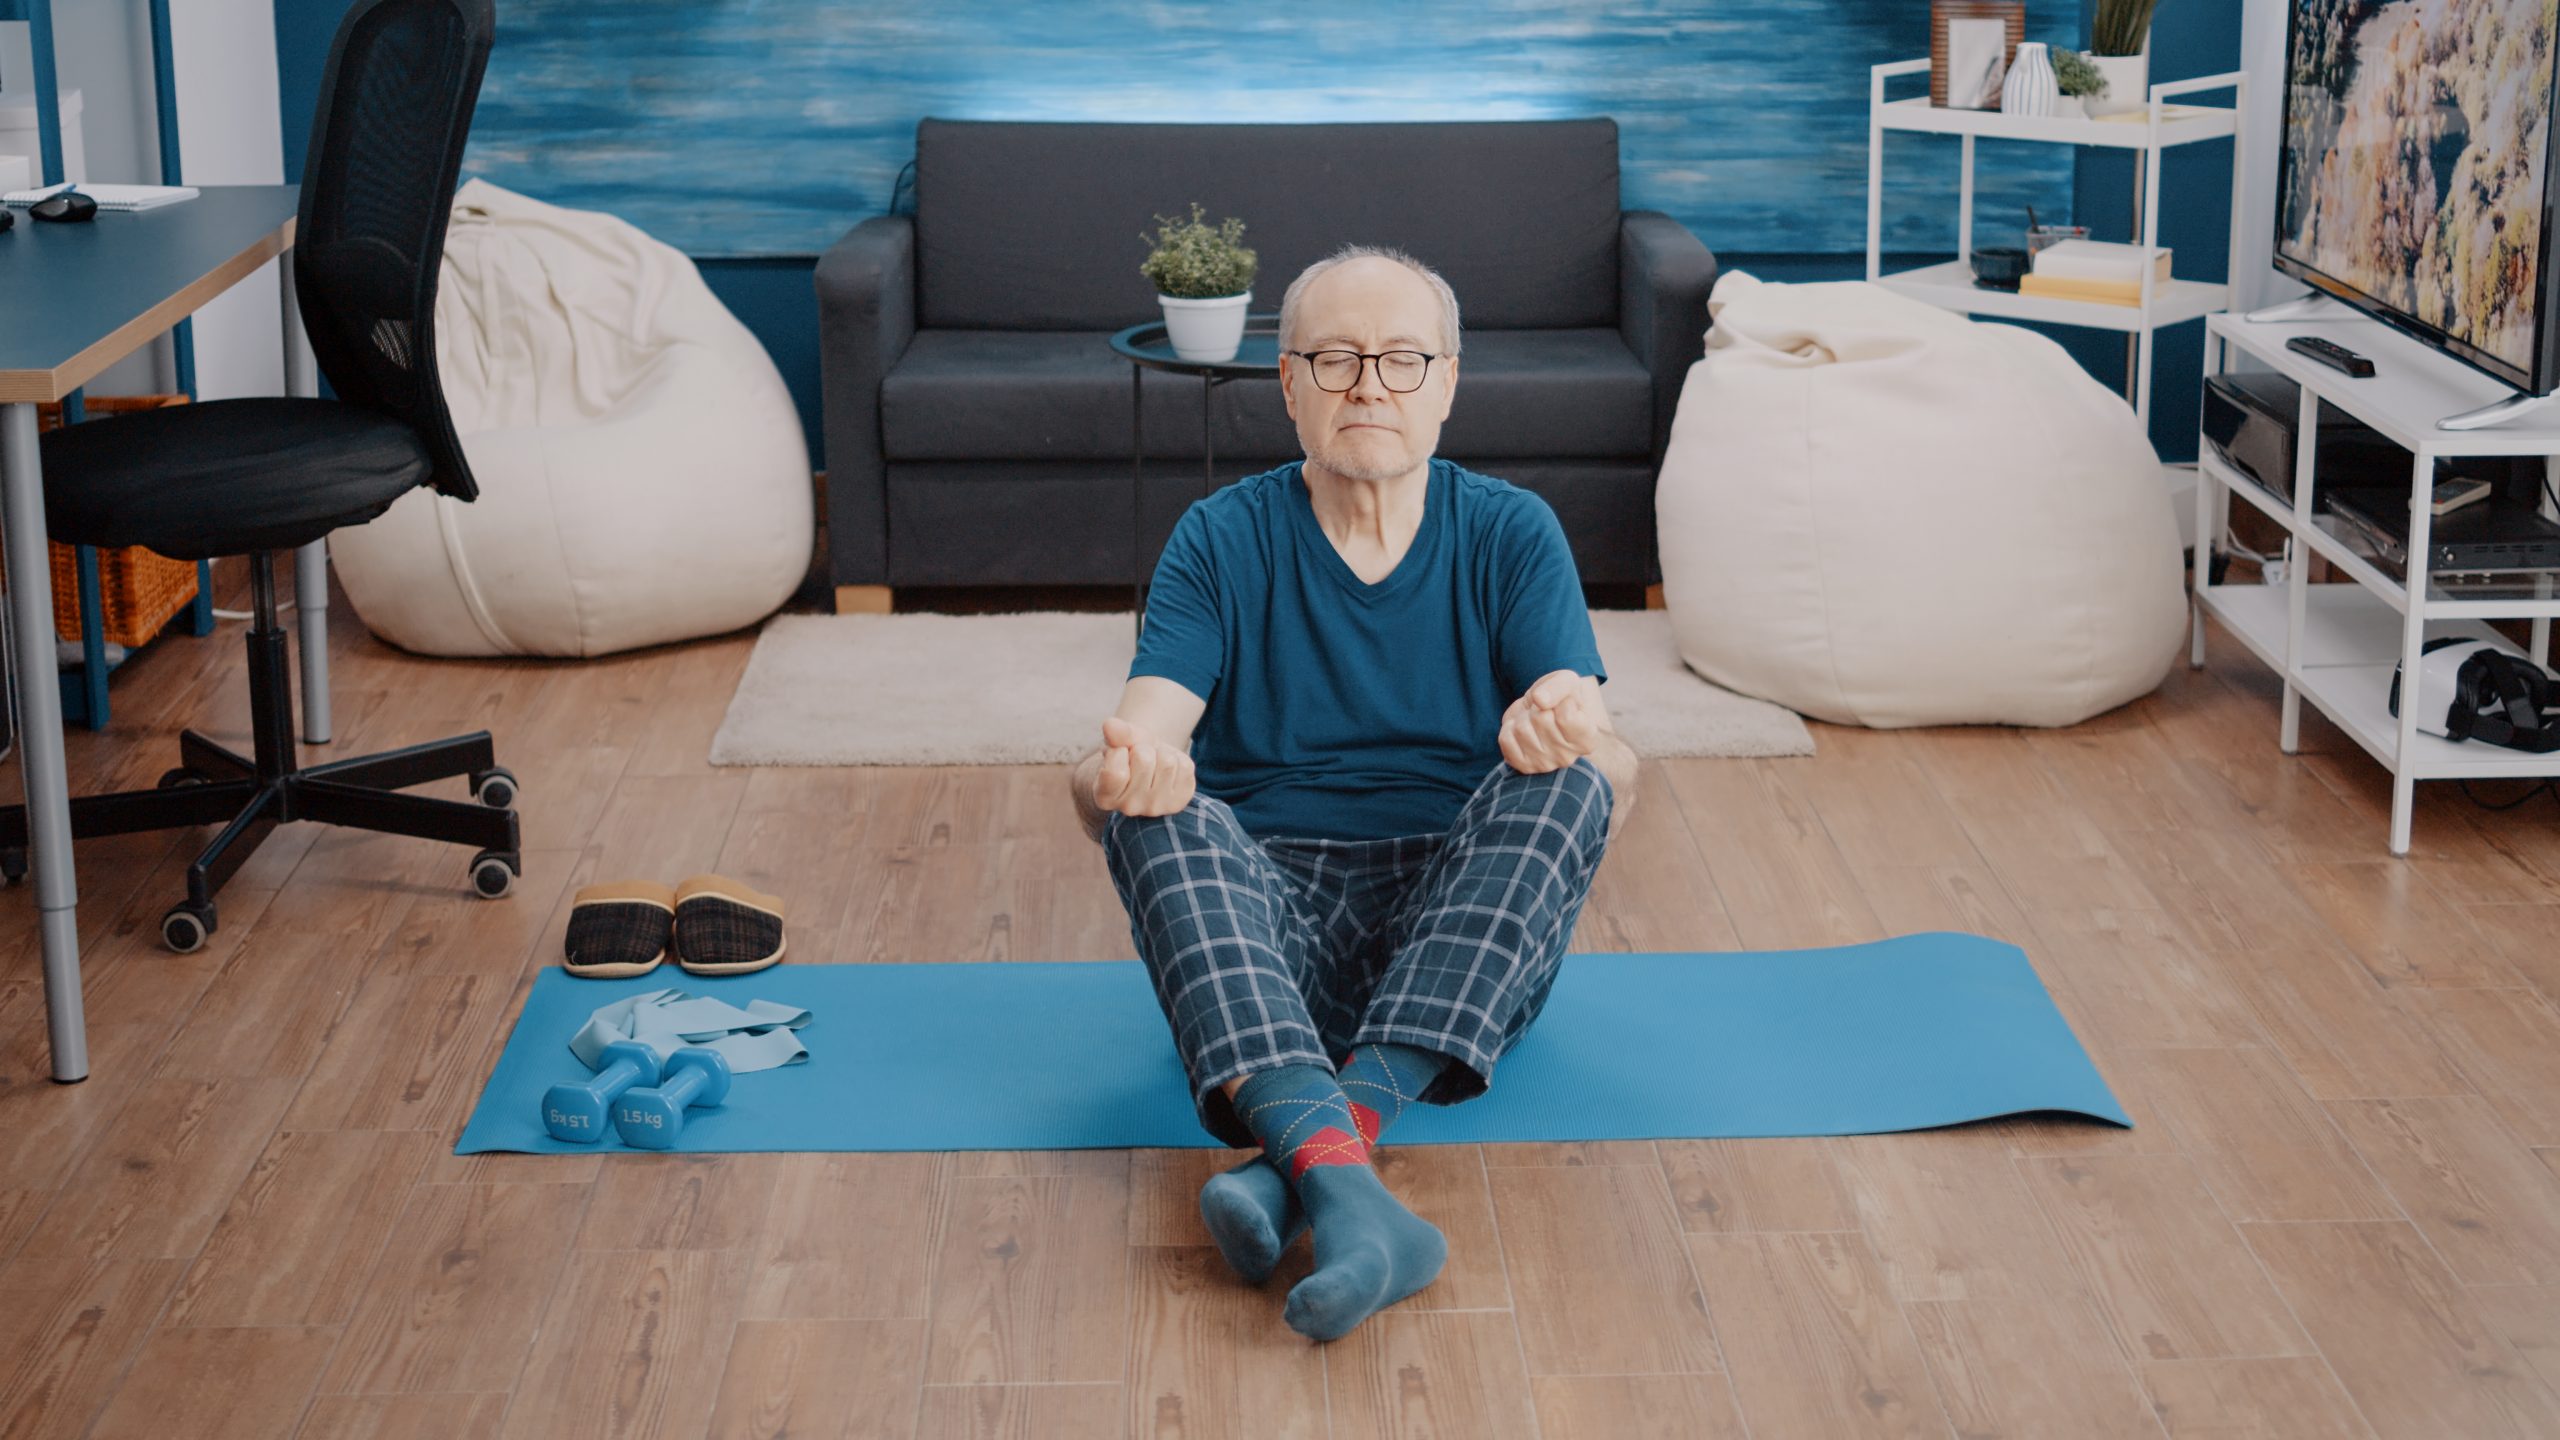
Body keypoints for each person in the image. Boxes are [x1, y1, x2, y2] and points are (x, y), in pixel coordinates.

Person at [1072, 245, 1638, 1343]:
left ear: (1447, 381)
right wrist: (1120, 775)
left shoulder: (1511, 531)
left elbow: (1613, 759)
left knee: (1570, 783)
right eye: (1333, 360)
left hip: (1461, 931)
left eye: (1399, 358)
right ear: (1287, 386)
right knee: (1154, 813)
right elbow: (1135, 736)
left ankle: (1294, 1171)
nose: (1368, 384)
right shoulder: (1219, 538)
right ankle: (1353, 1197)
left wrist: (1574, 736)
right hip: (1267, 935)